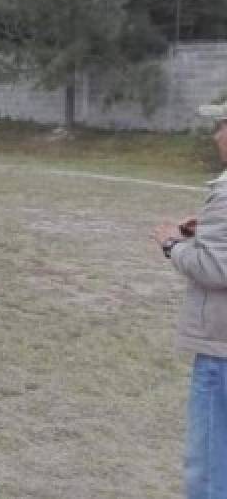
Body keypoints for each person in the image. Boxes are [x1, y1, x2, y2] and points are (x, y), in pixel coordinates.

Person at [153, 107, 227, 499]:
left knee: (211, 467)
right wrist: (207, 232)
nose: (217, 135)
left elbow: (215, 269)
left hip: (221, 345)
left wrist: (172, 244)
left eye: (223, 126)